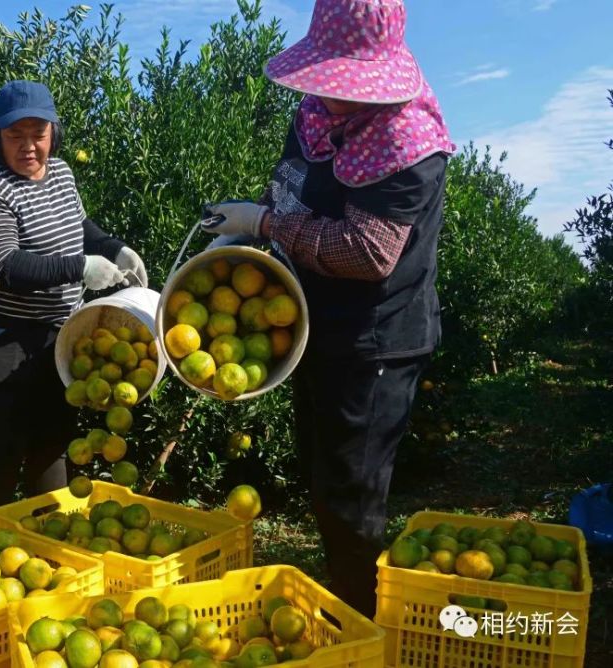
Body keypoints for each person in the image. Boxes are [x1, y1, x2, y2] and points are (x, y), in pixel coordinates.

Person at [202, 0, 455, 617]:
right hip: (318, 324)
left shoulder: (408, 145)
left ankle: (360, 622)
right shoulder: (319, 111)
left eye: (341, 86)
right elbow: (291, 182)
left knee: (352, 493)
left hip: (377, 339)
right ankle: (343, 595)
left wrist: (265, 223)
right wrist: (250, 223)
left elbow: (367, 253)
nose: (327, 98)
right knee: (324, 474)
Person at [0, 80, 148, 530]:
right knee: (1, 450)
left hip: (62, 332)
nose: (29, 147)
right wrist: (78, 269)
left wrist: (113, 246)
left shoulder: (61, 172)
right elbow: (1, 264)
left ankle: (53, 542)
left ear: (54, 134)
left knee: (52, 441)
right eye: (15, 136)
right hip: (7, 336)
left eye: (38, 134)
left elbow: (76, 223)